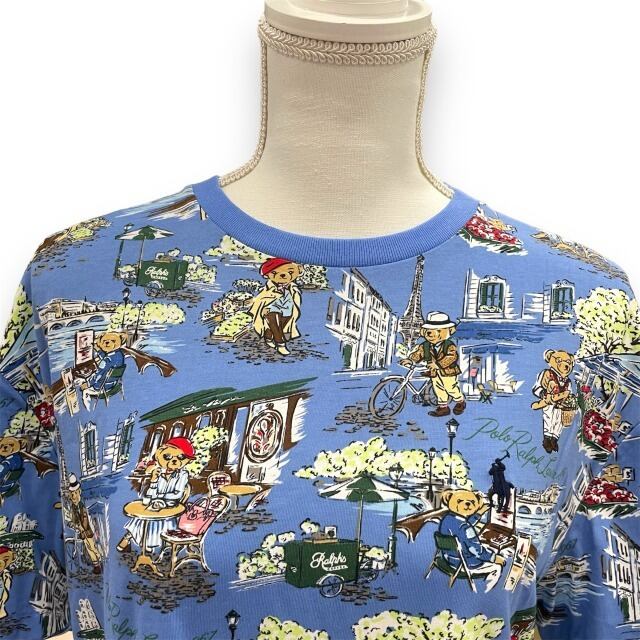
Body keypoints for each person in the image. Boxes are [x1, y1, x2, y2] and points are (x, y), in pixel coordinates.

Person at [118, 437, 194, 553]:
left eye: (181, 457)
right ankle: (136, 541)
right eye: (167, 456)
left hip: (170, 507)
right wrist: (153, 482)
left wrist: (160, 497)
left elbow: (177, 494)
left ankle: (131, 539)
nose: (173, 461)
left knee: (151, 519)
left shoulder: (182, 474)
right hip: (155, 505)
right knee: (142, 517)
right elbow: (147, 497)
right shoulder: (157, 472)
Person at [400, 311, 466, 417]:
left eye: (438, 330)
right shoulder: (425, 345)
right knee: (438, 389)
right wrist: (410, 360)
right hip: (434, 372)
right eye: (428, 330)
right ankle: (443, 408)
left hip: (448, 372)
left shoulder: (449, 345)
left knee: (451, 388)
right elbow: (418, 354)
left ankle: (460, 401)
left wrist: (438, 365)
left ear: (448, 331)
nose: (430, 334)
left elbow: (451, 357)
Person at [249, 258, 303, 355]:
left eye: (290, 272)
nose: (283, 275)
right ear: (267, 275)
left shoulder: (293, 288)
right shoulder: (269, 289)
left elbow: (295, 300)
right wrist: (262, 309)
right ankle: (281, 345)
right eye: (274, 273)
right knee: (275, 323)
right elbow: (261, 299)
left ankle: (268, 337)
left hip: (287, 309)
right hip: (270, 308)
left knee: (279, 326)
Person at [67, 474, 103, 574]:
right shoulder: (74, 507)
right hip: (82, 532)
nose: (73, 496)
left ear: (79, 492)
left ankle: (99, 562)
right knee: (89, 548)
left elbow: (84, 519)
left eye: (75, 493)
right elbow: (75, 519)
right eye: (72, 494)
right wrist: (73, 523)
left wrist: (80, 527)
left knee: (92, 547)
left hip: (87, 531)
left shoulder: (81, 506)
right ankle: (97, 563)